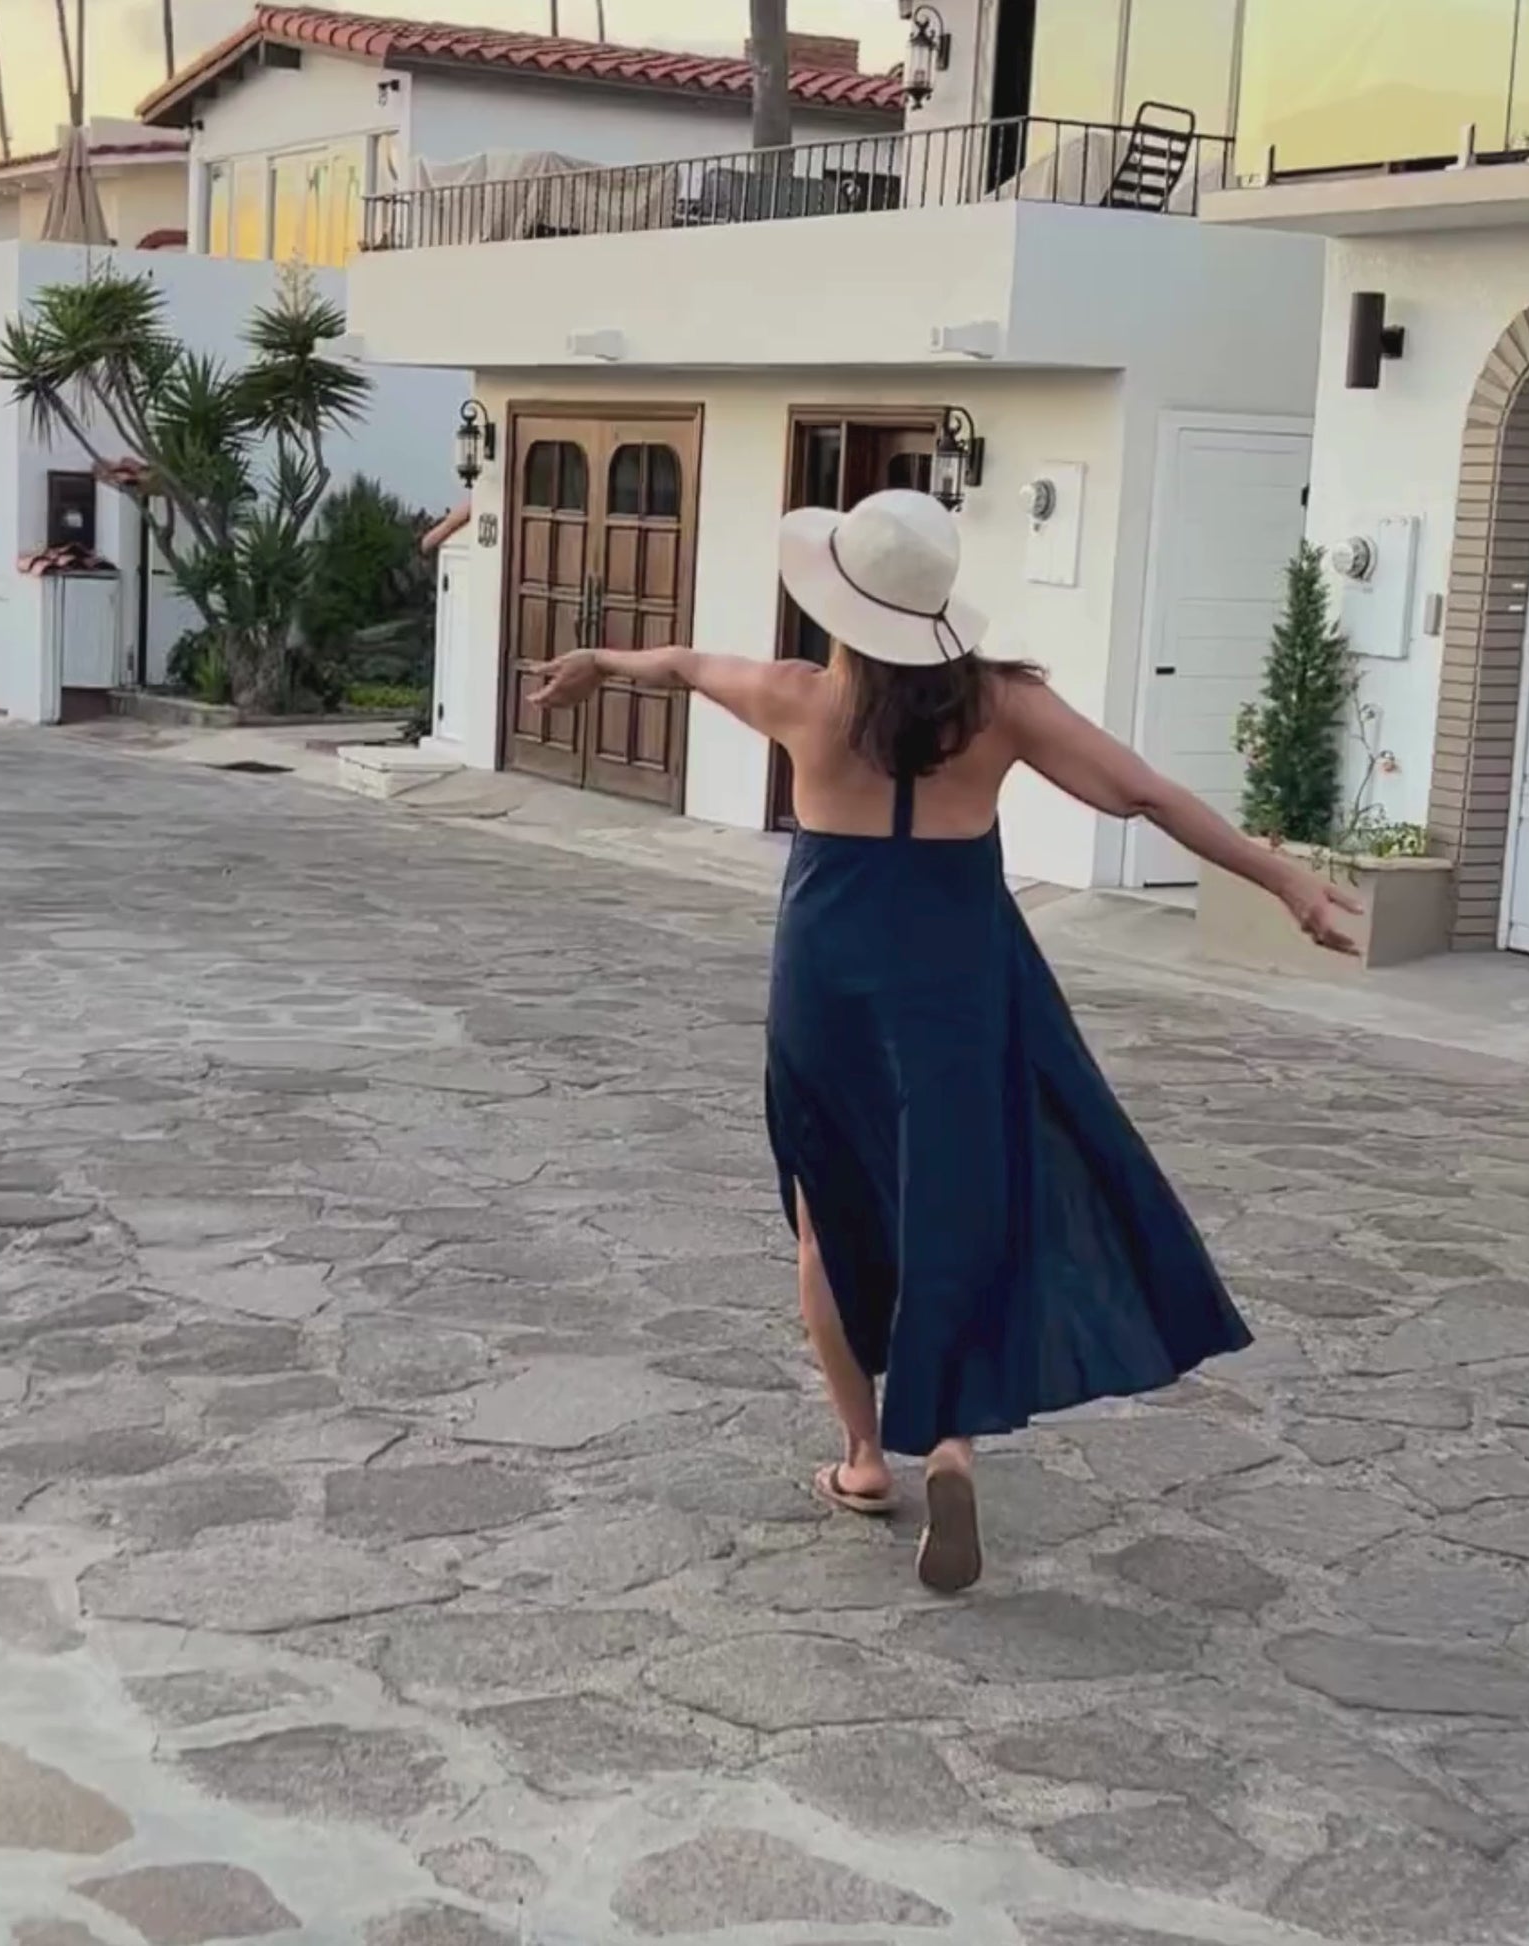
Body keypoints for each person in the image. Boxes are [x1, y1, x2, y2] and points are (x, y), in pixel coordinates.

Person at [529, 489, 1358, 1596]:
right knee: (949, 1200)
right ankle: (952, 1442)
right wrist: (1286, 879)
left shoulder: (799, 697)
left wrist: (599, 660)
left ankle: (865, 1457)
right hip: (958, 975)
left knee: (824, 1220)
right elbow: (1145, 795)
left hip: (827, 974)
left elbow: (685, 664)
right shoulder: (1000, 706)